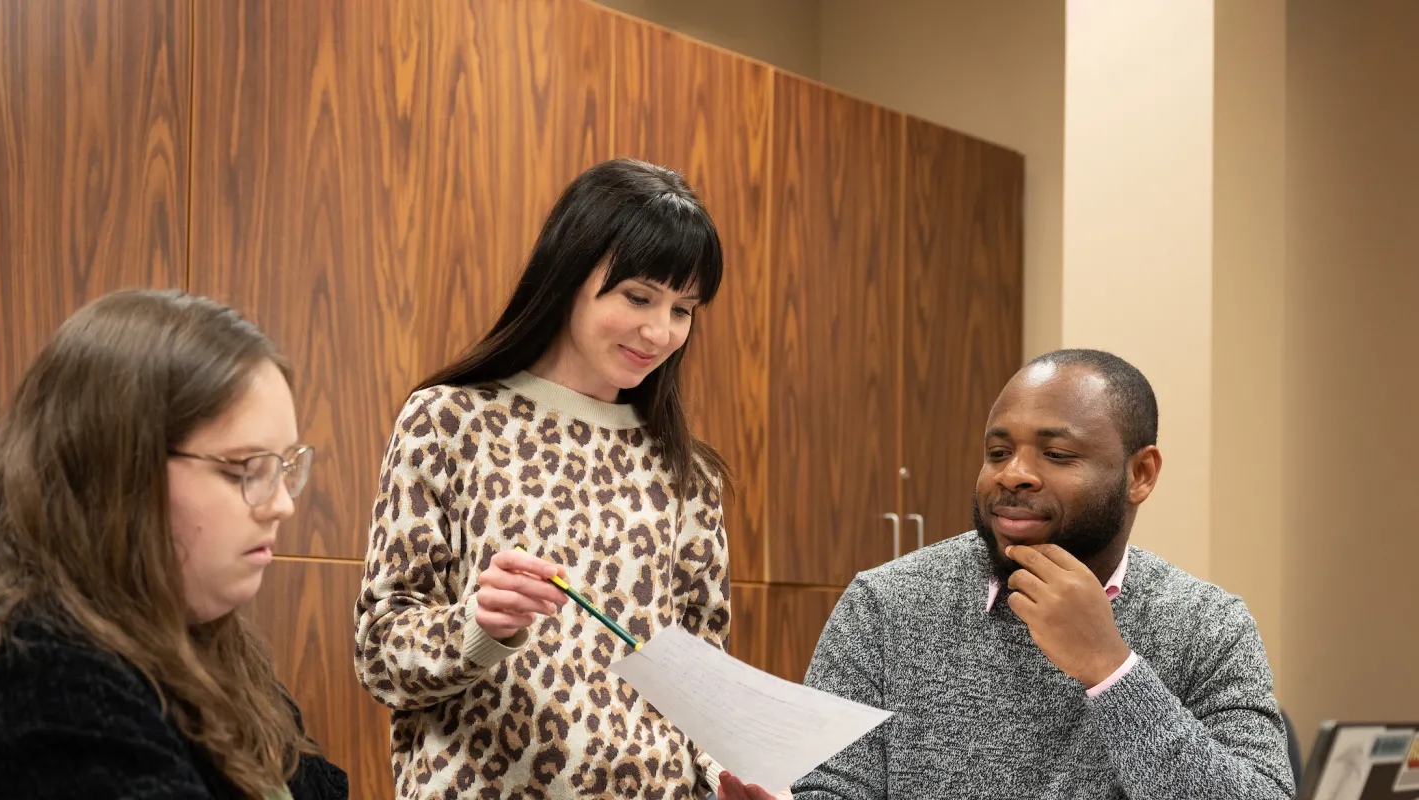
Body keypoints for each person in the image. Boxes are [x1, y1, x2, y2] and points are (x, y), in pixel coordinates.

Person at [0, 289, 349, 800]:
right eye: (244, 469)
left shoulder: (213, 648)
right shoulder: (21, 676)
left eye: (285, 467)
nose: (282, 504)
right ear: (118, 473)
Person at [355, 158, 768, 798]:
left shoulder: (690, 473)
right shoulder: (448, 422)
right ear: (570, 273)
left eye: (683, 310)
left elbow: (700, 685)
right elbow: (381, 653)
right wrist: (478, 629)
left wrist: (726, 777)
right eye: (639, 297)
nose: (660, 332)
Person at [780, 349, 1292, 799]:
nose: (1013, 474)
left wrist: (1110, 668)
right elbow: (827, 788)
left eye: (1057, 455)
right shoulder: (885, 604)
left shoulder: (1208, 626)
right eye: (998, 453)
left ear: (1140, 474)